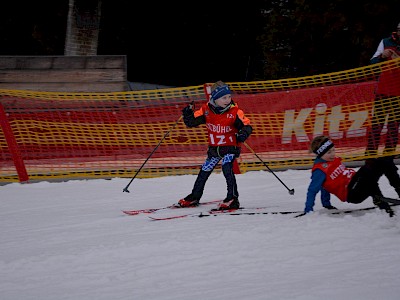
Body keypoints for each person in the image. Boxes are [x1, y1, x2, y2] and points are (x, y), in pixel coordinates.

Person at [178, 81, 253, 210]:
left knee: (227, 168)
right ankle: (195, 196)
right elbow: (192, 122)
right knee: (204, 171)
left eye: (229, 96)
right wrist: (187, 114)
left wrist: (243, 133)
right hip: (214, 148)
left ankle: (233, 198)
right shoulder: (206, 110)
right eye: (224, 98)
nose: (228, 100)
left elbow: (247, 126)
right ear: (215, 98)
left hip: (230, 146)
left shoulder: (235, 111)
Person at [302, 135, 397, 217]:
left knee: (384, 162)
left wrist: (326, 204)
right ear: (320, 154)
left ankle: (386, 199)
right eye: (329, 152)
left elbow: (326, 185)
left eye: (333, 150)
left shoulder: (334, 160)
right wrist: (308, 209)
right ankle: (380, 201)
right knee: (368, 169)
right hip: (351, 193)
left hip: (357, 184)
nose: (333, 154)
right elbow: (313, 189)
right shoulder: (320, 169)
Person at [366, 22, 400, 156]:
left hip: (398, 94)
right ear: (396, 31)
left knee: (394, 126)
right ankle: (370, 153)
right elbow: (372, 62)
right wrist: (382, 56)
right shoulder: (385, 42)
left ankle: (389, 154)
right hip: (383, 91)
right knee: (377, 124)